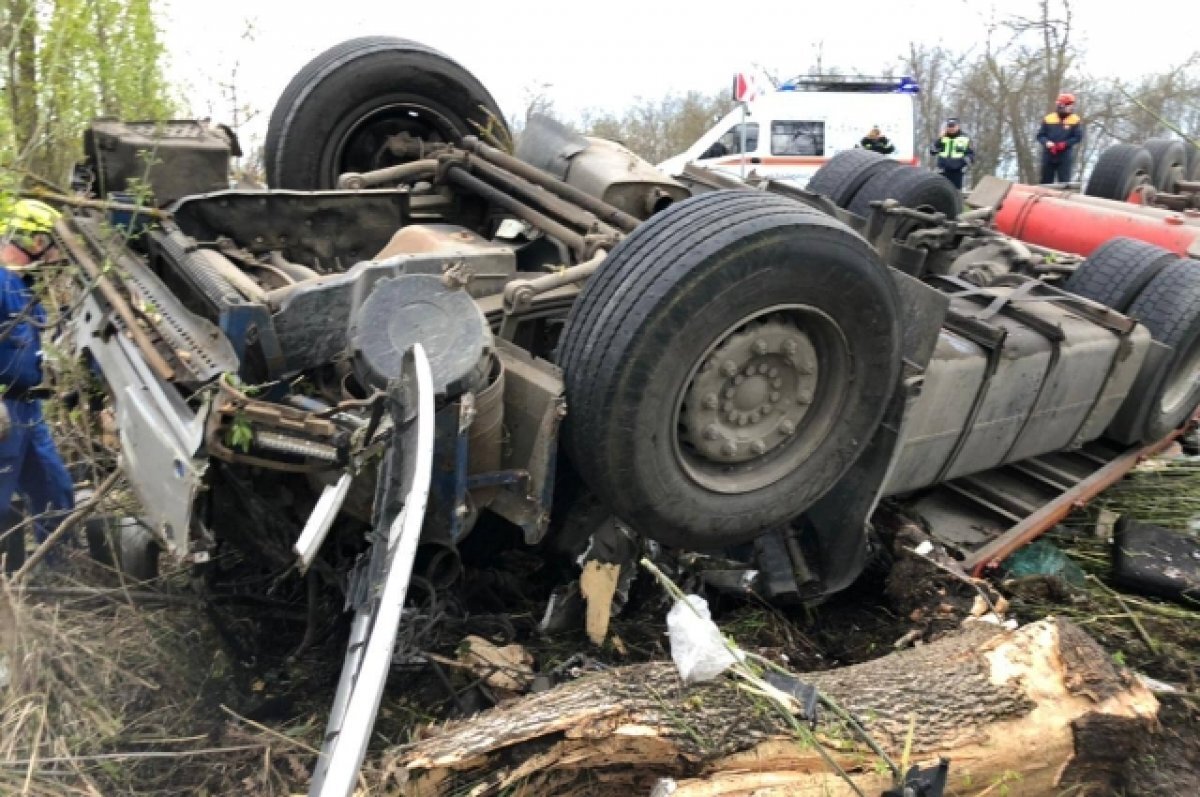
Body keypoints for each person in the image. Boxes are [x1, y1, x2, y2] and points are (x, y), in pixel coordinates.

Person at [0, 198, 75, 571]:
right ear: (32, 239)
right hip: (3, 411)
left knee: (54, 488)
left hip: (30, 410)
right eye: (50, 241)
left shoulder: (26, 288)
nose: (55, 253)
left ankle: (55, 575)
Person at [1037, 93, 1083, 184]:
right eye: (1069, 105)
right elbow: (1040, 135)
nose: (1072, 107)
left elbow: (1078, 137)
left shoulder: (1075, 120)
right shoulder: (1048, 118)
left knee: (1064, 182)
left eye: (1072, 105)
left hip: (1065, 156)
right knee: (1045, 182)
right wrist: (1046, 142)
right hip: (1048, 155)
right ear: (1062, 105)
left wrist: (1065, 144)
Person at [929, 117, 974, 190]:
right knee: (941, 191)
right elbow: (932, 151)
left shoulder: (965, 138)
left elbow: (971, 154)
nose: (951, 128)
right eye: (949, 126)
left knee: (955, 193)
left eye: (953, 126)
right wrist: (940, 139)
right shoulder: (942, 138)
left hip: (957, 172)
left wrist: (964, 162)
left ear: (958, 126)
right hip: (942, 171)